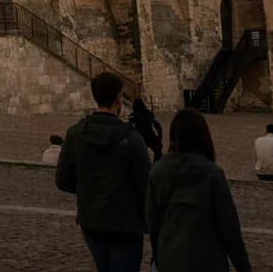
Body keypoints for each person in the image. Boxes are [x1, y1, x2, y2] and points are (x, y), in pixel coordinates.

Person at [54, 71, 150, 272]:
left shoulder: (76, 133)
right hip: (125, 224)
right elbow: (146, 186)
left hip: (92, 221)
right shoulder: (131, 139)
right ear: (118, 98)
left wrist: (89, 187)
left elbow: (63, 179)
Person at [145, 108, 250, 272]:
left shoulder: (158, 171)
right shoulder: (212, 174)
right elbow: (229, 229)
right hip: (207, 260)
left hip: (169, 258)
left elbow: (153, 221)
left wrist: (158, 256)